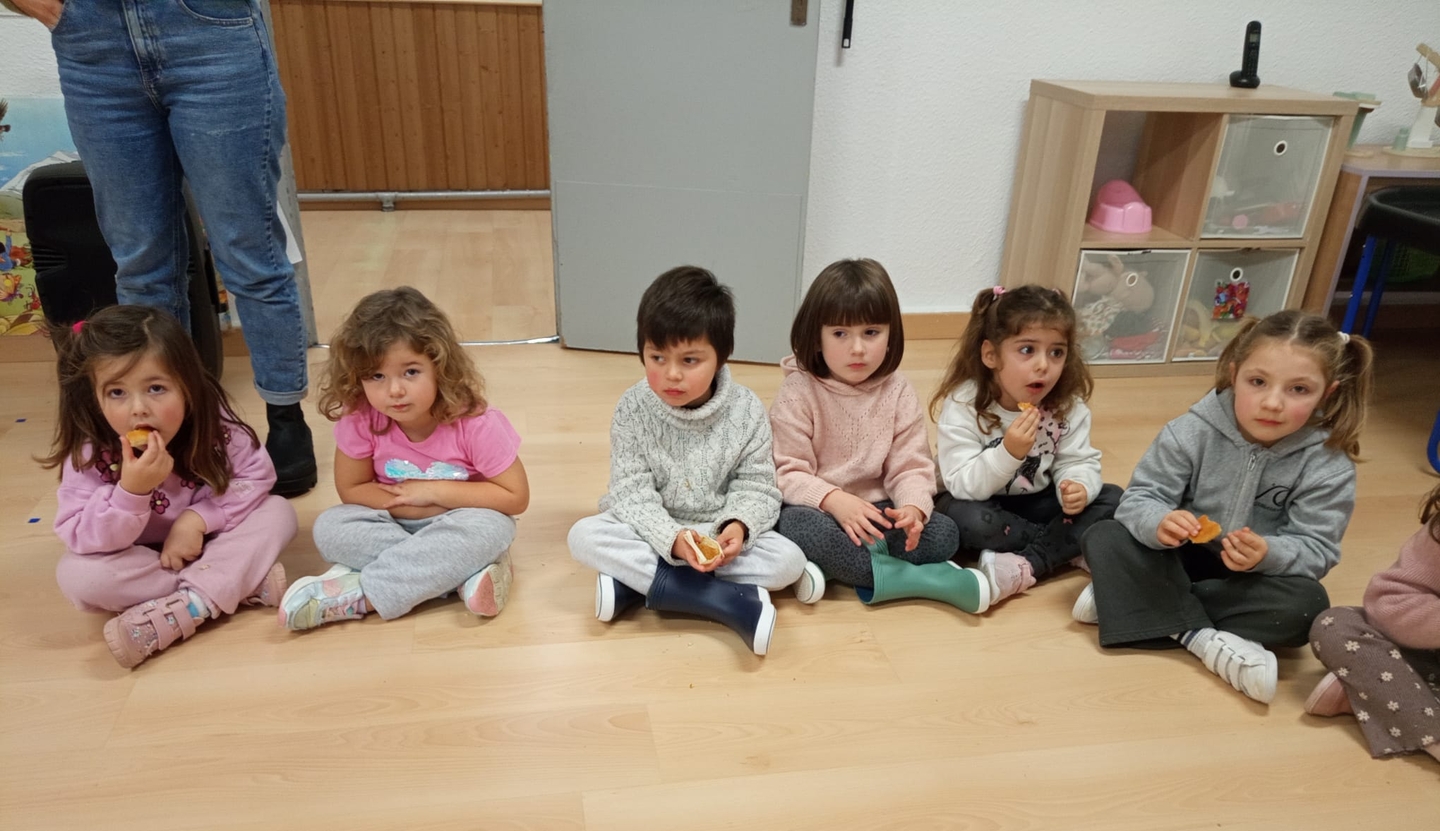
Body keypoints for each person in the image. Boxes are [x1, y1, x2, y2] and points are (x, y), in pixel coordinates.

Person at [15, 0, 317, 496]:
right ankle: (177, 429)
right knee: (141, 267)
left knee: (250, 254)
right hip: (92, 40)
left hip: (208, 28)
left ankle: (285, 418)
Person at [1075, 310, 1374, 704]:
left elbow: (1317, 549)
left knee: (1307, 608)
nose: (1272, 403)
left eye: (1299, 389)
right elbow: (1140, 499)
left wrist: (1267, 553)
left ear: (1327, 394)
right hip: (1177, 558)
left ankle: (1131, 600)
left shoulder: (1328, 465)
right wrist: (1160, 522)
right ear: (1234, 375)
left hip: (1250, 579)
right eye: (1258, 382)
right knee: (1105, 534)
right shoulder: (1190, 431)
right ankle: (1199, 637)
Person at [567, 265, 807, 656]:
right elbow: (630, 492)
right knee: (583, 536)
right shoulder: (633, 407)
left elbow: (758, 487)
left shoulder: (746, 409)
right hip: (651, 531)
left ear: (721, 358)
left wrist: (737, 526)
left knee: (789, 561)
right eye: (657, 357)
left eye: (690, 360)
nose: (671, 374)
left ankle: (634, 586)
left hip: (715, 532)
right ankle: (723, 601)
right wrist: (672, 540)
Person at [43, 305, 297, 668]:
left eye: (156, 388)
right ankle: (232, 585)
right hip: (143, 559)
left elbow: (254, 477)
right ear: (95, 398)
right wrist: (130, 493)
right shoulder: (90, 452)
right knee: (78, 577)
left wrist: (197, 519)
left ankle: (190, 606)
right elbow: (79, 534)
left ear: (187, 386)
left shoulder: (214, 426)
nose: (138, 409)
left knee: (278, 512)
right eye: (117, 393)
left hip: (209, 541)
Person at [280, 287, 527, 630]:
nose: (394, 390)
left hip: (461, 520)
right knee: (330, 527)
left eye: (410, 372)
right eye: (377, 376)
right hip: (393, 520)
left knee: (493, 527)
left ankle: (362, 597)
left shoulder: (477, 423)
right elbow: (352, 489)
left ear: (439, 366)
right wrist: (409, 506)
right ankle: (459, 574)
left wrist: (434, 493)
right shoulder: (361, 418)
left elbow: (515, 497)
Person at [769, 257, 985, 613]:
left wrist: (913, 509)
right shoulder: (798, 391)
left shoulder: (898, 390)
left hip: (879, 510)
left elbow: (911, 466)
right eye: (840, 334)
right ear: (816, 337)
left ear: (890, 335)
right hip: (822, 510)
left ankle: (840, 570)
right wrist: (834, 500)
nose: (857, 349)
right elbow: (787, 471)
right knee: (795, 526)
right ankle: (920, 580)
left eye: (871, 333)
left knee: (945, 533)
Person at [930, 285, 1122, 605]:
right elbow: (962, 484)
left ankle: (1027, 564)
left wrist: (1078, 485)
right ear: (991, 355)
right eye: (1027, 350)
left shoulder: (1067, 407)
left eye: (1056, 352)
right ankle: (1066, 548)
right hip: (981, 501)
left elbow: (1077, 461)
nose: (1043, 365)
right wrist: (1008, 453)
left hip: (1038, 501)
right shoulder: (964, 404)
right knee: (963, 521)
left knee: (1113, 499)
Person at [1305, 482, 1439, 762]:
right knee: (1336, 625)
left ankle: (1371, 697)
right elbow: (1391, 603)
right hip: (1427, 652)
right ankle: (1420, 722)